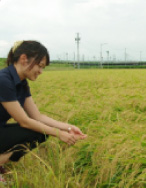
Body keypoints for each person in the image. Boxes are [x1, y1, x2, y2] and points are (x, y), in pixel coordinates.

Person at [0, 40, 87, 183]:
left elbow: (37, 116)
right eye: (40, 66)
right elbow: (24, 121)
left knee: (41, 133)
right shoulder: (3, 80)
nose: (41, 71)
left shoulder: (22, 83)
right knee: (40, 131)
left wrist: (69, 127)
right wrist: (59, 134)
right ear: (23, 59)